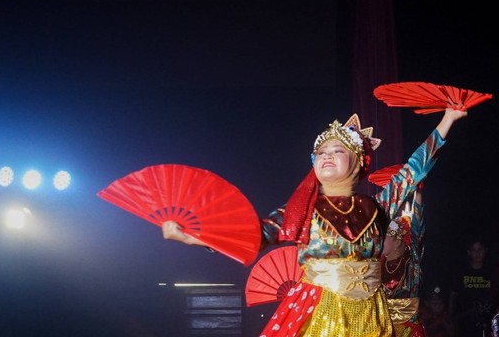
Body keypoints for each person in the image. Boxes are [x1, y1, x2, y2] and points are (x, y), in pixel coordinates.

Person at [163, 107, 467, 336]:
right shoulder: (302, 210)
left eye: (338, 151)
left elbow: (412, 172)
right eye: (321, 152)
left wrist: (447, 120)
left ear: (358, 161)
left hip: (371, 313)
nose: (328, 156)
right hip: (320, 309)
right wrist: (194, 237)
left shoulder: (376, 207)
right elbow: (256, 234)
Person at [381, 188, 427, 336]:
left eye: (384, 237)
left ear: (397, 242)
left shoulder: (410, 257)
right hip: (382, 327)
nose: (379, 241)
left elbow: (417, 226)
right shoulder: (377, 263)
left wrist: (418, 192)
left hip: (407, 329)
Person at [448, 236, 495, 336]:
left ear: (485, 250)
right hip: (465, 319)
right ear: (469, 252)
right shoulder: (462, 272)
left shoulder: (492, 272)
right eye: (474, 250)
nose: (477, 253)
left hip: (487, 320)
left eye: (480, 249)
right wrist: (450, 313)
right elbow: (453, 293)